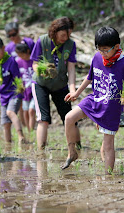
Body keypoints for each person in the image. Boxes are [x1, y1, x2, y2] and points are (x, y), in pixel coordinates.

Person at [62, 26, 124, 174]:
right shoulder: (97, 57)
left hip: (111, 109)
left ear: (116, 47)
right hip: (95, 99)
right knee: (69, 118)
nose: (102, 53)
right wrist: (76, 92)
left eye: (105, 49)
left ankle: (108, 175)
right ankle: (72, 153)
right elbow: (90, 77)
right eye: (99, 49)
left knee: (108, 145)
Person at [30, 17, 80, 150]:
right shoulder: (42, 41)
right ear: (55, 31)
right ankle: (41, 151)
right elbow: (34, 64)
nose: (66, 38)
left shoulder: (71, 45)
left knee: (69, 117)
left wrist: (73, 89)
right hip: (41, 84)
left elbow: (71, 69)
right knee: (43, 119)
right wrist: (42, 71)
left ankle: (78, 147)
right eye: (63, 34)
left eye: (68, 34)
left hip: (60, 85)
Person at [0, 35, 26, 144]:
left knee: (10, 112)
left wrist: (20, 90)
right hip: (3, 96)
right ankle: (8, 144)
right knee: (5, 123)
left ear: (3, 48)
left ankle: (20, 136)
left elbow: (17, 77)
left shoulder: (11, 61)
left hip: (14, 93)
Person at [4, 22, 34, 127]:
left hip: (29, 76)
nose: (12, 37)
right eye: (9, 35)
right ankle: (25, 126)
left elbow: (35, 58)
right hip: (17, 79)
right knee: (20, 104)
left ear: (18, 31)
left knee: (30, 104)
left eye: (14, 34)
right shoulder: (8, 48)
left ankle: (31, 126)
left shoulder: (28, 42)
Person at [15, 43, 36, 132]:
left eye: (22, 55)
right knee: (25, 111)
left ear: (27, 51)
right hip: (25, 91)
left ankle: (31, 130)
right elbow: (17, 76)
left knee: (31, 110)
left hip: (35, 89)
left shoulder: (34, 60)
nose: (21, 57)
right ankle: (28, 130)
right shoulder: (18, 62)